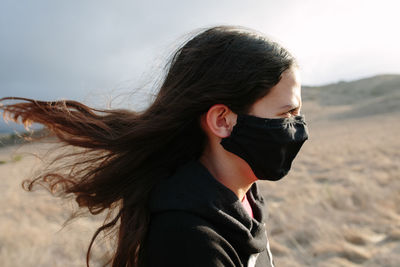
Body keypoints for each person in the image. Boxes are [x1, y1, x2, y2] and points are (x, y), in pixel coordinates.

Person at [0, 25, 308, 267]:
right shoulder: (188, 241)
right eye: (287, 114)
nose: (300, 129)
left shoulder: (243, 197)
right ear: (223, 120)